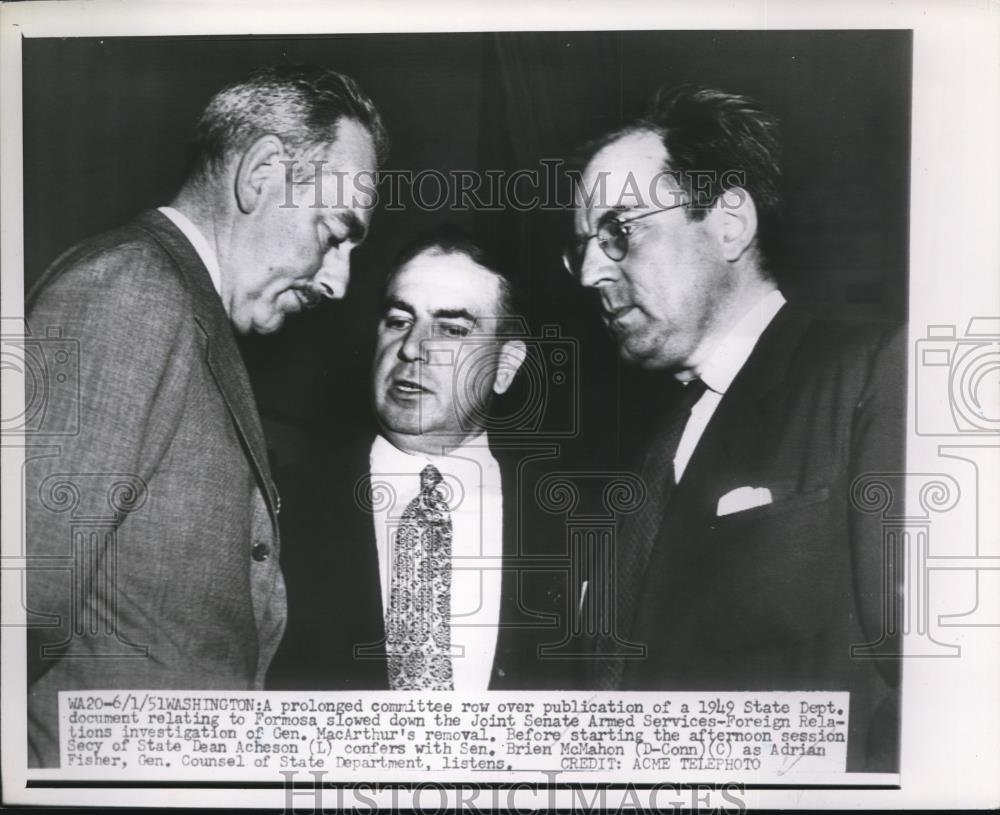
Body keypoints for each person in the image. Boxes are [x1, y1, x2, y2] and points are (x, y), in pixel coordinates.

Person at [24, 65, 387, 767]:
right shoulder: (129, 290)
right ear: (261, 174)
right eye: (334, 232)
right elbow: (22, 604)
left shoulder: (187, 312)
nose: (339, 281)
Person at [564, 85, 904, 772]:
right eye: (582, 248)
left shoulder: (873, 372)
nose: (592, 272)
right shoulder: (641, 454)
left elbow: (934, 687)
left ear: (728, 224)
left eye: (619, 230)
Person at [269, 227, 566, 691]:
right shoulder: (280, 506)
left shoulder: (568, 521)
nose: (410, 348)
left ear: (505, 366)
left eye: (451, 329)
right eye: (398, 320)